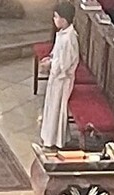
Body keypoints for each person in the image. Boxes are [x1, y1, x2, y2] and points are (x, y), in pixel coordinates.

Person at [39, 2, 79, 149]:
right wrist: (49, 58)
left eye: (56, 17)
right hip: (56, 78)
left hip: (63, 80)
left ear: (64, 19)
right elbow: (57, 53)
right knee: (51, 106)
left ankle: (56, 139)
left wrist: (50, 65)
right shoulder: (62, 34)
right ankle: (49, 136)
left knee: (57, 109)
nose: (54, 20)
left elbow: (65, 65)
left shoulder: (69, 38)